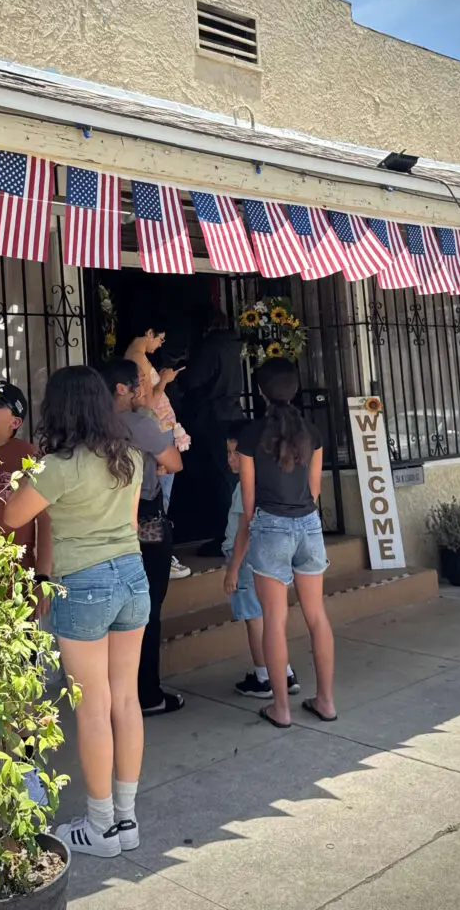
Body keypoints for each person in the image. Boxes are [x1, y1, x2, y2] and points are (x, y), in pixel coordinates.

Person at [3, 366, 148, 859]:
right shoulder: (129, 456)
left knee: (92, 707)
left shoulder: (57, 466)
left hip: (82, 583)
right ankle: (125, 820)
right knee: (125, 700)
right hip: (132, 576)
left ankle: (100, 825)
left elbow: (11, 517)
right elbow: (129, 522)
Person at [227, 359, 336, 728]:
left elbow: (248, 502)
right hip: (308, 524)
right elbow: (316, 490)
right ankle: (325, 701)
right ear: (295, 390)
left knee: (274, 620)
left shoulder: (250, 436)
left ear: (260, 392)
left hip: (270, 525)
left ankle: (281, 709)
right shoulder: (312, 433)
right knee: (317, 617)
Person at [101, 359, 186, 717]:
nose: (143, 389)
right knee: (147, 606)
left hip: (102, 523)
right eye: (138, 383)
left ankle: (112, 694)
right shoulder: (137, 422)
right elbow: (175, 462)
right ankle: (146, 693)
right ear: (121, 389)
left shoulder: (90, 424)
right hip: (145, 521)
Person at [221, 421, 299, 699]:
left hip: (245, 560)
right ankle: (284, 672)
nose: (231, 459)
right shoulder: (270, 482)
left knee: (254, 619)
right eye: (228, 453)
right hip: (269, 556)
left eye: (236, 454)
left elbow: (244, 530)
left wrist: (232, 570)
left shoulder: (247, 488)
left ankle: (264, 677)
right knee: (271, 618)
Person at [124, 320, 192, 579]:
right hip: (157, 431)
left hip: (159, 430)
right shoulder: (137, 358)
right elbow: (148, 403)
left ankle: (157, 553)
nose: (160, 344)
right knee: (159, 496)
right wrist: (164, 380)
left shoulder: (137, 356)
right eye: (160, 338)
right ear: (149, 332)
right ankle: (160, 554)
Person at [176, 307, 244, 557]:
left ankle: (224, 535)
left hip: (212, 417)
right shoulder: (234, 346)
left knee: (218, 479)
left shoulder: (210, 347)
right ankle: (234, 531)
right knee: (231, 476)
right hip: (233, 414)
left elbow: (192, 380)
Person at [0, 383, 52, 613]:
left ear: (15, 422)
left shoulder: (27, 456)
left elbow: (45, 520)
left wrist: (42, 577)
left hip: (16, 578)